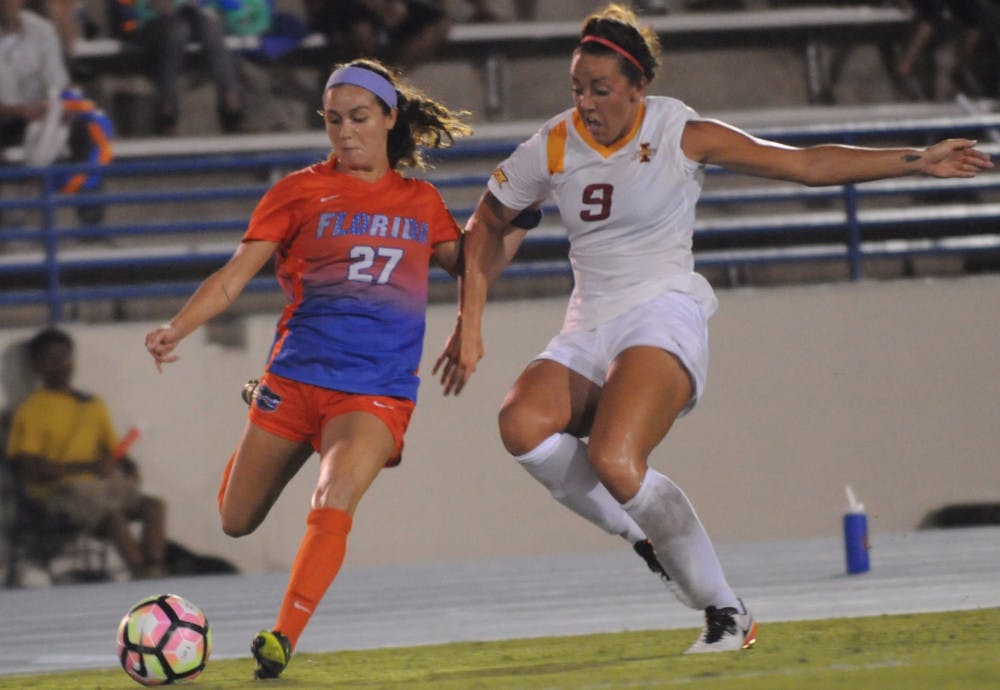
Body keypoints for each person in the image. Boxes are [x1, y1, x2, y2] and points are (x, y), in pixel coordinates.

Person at [435, 2, 994, 654]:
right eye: (577, 88)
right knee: (520, 424)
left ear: (639, 86)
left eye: (601, 89)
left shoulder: (680, 131)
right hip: (590, 322)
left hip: (662, 311)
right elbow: (486, 224)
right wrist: (469, 320)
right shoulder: (553, 143)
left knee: (615, 458)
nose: (585, 102)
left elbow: (804, 164)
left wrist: (916, 160)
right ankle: (644, 535)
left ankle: (725, 610)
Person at [144, 57, 536, 679]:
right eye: (333, 120)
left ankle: (282, 637)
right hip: (296, 379)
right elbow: (232, 279)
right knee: (235, 519)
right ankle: (263, 403)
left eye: (358, 118)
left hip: (374, 392)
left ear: (389, 118)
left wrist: (517, 222)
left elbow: (471, 266)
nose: (346, 132)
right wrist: (177, 327)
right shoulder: (296, 193)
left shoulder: (421, 201)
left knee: (334, 496)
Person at [5, 327, 168, 580]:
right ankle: (141, 574)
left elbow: (115, 451)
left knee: (154, 506)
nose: (59, 365)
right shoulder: (31, 409)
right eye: (50, 359)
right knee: (111, 513)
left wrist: (130, 468)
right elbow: (30, 468)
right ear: (37, 366)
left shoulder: (92, 404)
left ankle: (156, 569)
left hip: (99, 487)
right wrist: (88, 468)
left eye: (64, 357)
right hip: (56, 492)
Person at [0, 0, 111, 225]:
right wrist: (19, 110)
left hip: (38, 113)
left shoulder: (41, 30)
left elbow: (57, 81)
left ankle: (92, 227)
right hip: (6, 115)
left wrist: (60, 105)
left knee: (86, 132)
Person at [109, 0, 244, 134]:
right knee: (178, 31)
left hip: (192, 19)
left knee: (209, 27)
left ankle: (231, 102)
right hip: (152, 22)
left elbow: (231, 5)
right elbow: (128, 12)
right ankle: (167, 109)